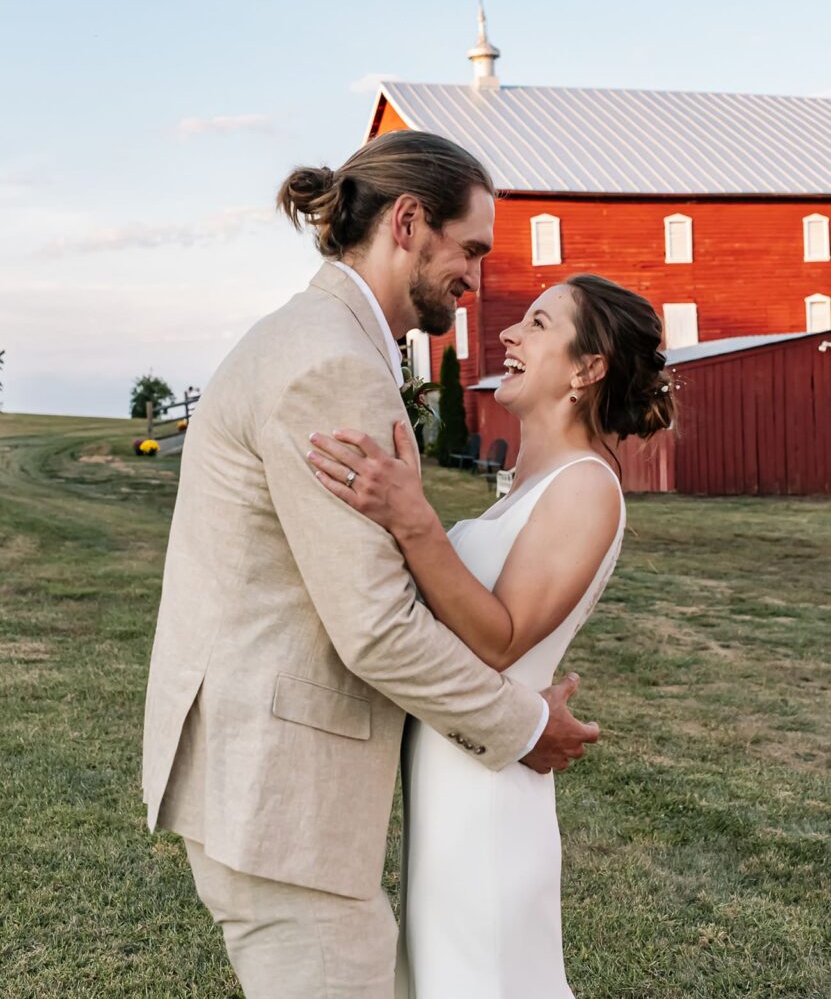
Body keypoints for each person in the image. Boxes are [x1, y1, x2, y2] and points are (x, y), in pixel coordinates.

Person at [141, 130, 601, 999]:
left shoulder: (315, 335)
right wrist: (523, 727)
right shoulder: (331, 361)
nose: (474, 278)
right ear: (408, 221)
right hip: (280, 797)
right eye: (469, 248)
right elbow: (376, 628)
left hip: (259, 782)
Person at [307, 272, 676, 998]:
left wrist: (412, 518)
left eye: (537, 325)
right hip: (450, 773)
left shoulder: (585, 487)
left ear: (586, 368)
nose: (507, 334)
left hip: (488, 800)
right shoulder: (528, 479)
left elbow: (499, 641)